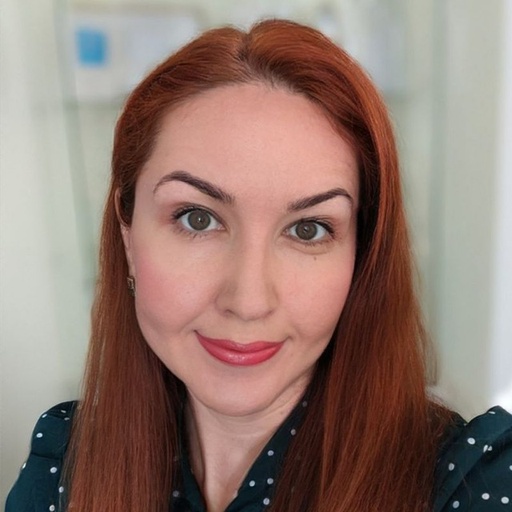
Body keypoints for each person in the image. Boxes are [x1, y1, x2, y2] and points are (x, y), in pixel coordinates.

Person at [6, 19, 511, 512]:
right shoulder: (65, 467)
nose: (248, 302)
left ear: (361, 256)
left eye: (308, 230)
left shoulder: (470, 483)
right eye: (198, 218)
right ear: (127, 234)